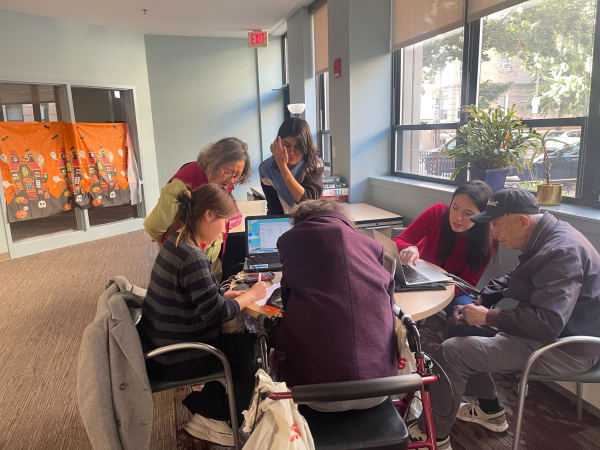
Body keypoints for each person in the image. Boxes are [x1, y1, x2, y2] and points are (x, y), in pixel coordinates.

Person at [409, 189, 600, 450]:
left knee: (452, 352)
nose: (493, 233)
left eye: (497, 224)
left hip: (564, 347)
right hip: (545, 332)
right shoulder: (545, 233)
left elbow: (546, 324)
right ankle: (490, 409)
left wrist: (489, 316)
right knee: (462, 324)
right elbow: (512, 278)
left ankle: (432, 435)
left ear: (521, 220)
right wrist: (479, 303)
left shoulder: (561, 252)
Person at [138, 183, 267, 431]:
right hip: (178, 358)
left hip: (162, 348)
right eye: (224, 222)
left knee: (243, 343)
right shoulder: (193, 256)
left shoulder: (176, 241)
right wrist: (252, 294)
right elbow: (217, 314)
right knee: (251, 353)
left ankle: (217, 406)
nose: (224, 230)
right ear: (209, 214)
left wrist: (221, 293)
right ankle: (226, 423)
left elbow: (196, 295)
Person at [273, 199, 398, 412]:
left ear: (300, 223)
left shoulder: (291, 240)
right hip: (382, 387)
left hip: (314, 393)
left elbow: (287, 300)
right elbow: (390, 304)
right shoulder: (373, 246)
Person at [143, 137, 251, 275]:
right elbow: (154, 228)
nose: (232, 180)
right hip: (186, 264)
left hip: (212, 260)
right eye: (229, 172)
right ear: (213, 163)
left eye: (238, 175)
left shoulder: (223, 182)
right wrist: (175, 253)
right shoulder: (180, 187)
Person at [393, 180, 497, 316]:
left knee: (464, 313)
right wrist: (410, 247)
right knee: (406, 312)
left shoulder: (488, 239)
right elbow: (398, 240)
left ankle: (455, 338)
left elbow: (466, 283)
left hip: (451, 287)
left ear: (481, 216)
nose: (458, 217)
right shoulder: (438, 212)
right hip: (417, 276)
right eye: (455, 208)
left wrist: (432, 295)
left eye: (468, 213)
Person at [259, 118, 324, 215]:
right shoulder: (266, 169)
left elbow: (307, 202)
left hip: (308, 220)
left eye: (298, 147)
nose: (291, 152)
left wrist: (283, 167)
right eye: (286, 145)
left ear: (306, 145)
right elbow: (275, 208)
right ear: (278, 143)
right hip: (280, 222)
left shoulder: (315, 164)